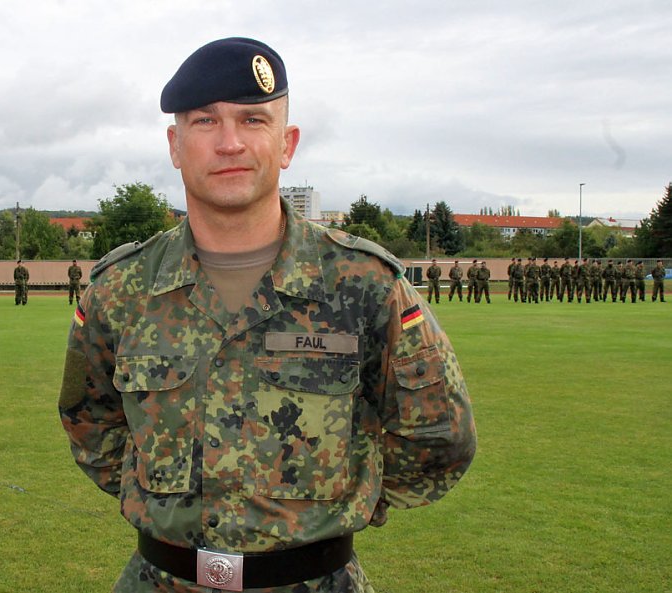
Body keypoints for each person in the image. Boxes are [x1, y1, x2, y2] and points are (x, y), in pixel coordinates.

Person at [58, 37, 476, 593]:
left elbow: (440, 436)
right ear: (175, 145)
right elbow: (89, 422)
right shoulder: (120, 291)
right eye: (205, 121)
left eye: (253, 120)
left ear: (287, 144)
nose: (229, 142)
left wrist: (343, 504)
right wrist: (164, 504)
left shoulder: (365, 284)